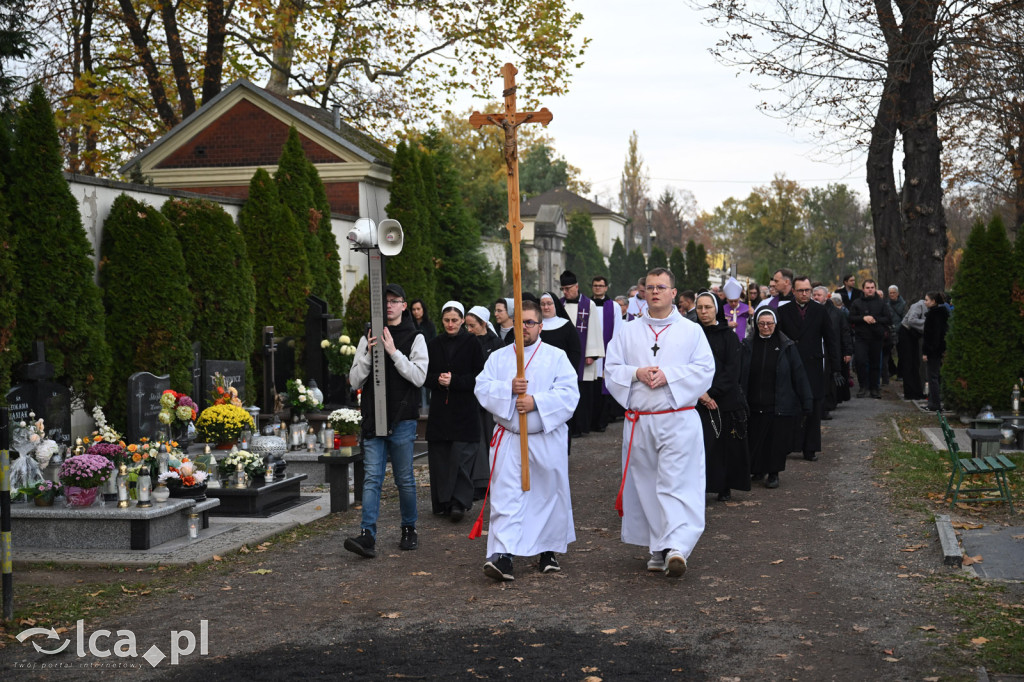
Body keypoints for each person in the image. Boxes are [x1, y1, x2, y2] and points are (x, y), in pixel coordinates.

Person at [604, 268, 716, 578]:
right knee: (647, 486)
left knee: (676, 483)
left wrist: (670, 375)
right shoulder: (627, 332)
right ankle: (658, 546)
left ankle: (677, 546)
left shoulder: (691, 331)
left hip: (678, 419)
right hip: (641, 421)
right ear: (642, 292)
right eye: (650, 287)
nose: (655, 292)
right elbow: (611, 368)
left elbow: (705, 370)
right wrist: (635, 373)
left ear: (673, 293)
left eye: (661, 287)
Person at [473, 300, 579, 581]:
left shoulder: (556, 357)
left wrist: (536, 402)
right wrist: (508, 388)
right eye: (519, 322)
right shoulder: (499, 357)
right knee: (507, 497)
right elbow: (481, 387)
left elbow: (570, 395)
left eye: (530, 322)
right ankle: (504, 556)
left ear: (540, 326)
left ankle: (547, 551)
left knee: (546, 496)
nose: (524, 328)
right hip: (510, 438)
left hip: (545, 438)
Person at [345, 283, 428, 558]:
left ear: (404, 305)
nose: (389, 305)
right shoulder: (368, 335)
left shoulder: (415, 337)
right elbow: (354, 380)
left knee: (404, 479)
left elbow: (419, 377)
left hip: (402, 419)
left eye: (395, 301)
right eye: (386, 301)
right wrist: (369, 354)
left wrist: (393, 352)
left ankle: (409, 529)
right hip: (373, 419)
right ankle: (367, 534)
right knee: (371, 479)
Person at [424, 302, 485, 521]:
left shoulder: (472, 343)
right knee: (441, 458)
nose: (450, 324)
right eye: (446, 320)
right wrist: (439, 381)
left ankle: (459, 503)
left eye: (455, 320)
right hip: (441, 410)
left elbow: (480, 376)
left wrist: (455, 381)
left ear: (462, 321)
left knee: (461, 458)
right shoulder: (434, 344)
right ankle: (443, 502)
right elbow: (425, 376)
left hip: (464, 410)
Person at [740, 309, 813, 490]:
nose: (766, 327)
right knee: (754, 438)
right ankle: (757, 469)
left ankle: (773, 473)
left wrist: (807, 400)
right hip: (754, 402)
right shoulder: (748, 345)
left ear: (776, 324)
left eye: (769, 324)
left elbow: (799, 374)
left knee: (775, 441)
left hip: (778, 402)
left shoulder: (786, 345)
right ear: (756, 325)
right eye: (762, 324)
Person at [775, 276, 839, 461]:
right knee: (790, 405)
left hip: (813, 364)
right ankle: (789, 444)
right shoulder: (783, 311)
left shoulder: (820, 311)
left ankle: (810, 447)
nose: (805, 294)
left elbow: (830, 339)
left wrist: (836, 368)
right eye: (801, 290)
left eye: (807, 290)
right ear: (793, 291)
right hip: (791, 364)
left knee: (813, 407)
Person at [693, 292, 750, 502]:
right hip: (696, 399)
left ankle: (724, 486)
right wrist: (700, 394)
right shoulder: (691, 334)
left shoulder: (728, 336)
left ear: (716, 309)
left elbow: (732, 370)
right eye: (699, 308)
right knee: (702, 446)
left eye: (708, 307)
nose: (703, 312)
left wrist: (712, 393)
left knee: (724, 446)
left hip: (722, 399)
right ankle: (701, 486)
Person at [560, 270, 604, 439]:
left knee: (582, 392)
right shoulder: (560, 305)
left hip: (584, 356)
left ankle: (580, 426)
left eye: (568, 288)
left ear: (576, 286)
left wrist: (592, 354)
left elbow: (594, 329)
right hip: (565, 356)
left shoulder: (588, 304)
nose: (565, 292)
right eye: (563, 289)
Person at [465, 305, 504, 500]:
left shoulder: (497, 344)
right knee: (475, 442)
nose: (469, 330)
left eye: (472, 326)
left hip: (491, 399)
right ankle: (478, 482)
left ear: (484, 324)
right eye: (467, 326)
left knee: (490, 439)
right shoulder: (467, 342)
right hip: (470, 398)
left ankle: (493, 481)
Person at [848, 279, 891, 399]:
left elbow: (888, 318)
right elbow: (851, 318)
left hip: (876, 337)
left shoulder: (881, 303)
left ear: (875, 288)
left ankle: (874, 388)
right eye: (868, 287)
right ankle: (863, 386)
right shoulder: (857, 302)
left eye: (872, 287)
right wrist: (863, 318)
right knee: (860, 362)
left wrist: (874, 319)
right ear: (863, 289)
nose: (870, 289)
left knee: (875, 363)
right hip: (861, 337)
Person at [814, 285, 853, 417]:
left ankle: (827, 406)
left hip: (832, 351)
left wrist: (848, 351)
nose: (816, 297)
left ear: (826, 296)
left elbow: (845, 332)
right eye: (814, 295)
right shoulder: (811, 311)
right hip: (817, 349)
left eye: (819, 295)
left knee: (829, 379)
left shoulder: (836, 313)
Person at [589, 275, 621, 432]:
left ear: (606, 287)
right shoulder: (586, 305)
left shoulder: (614, 306)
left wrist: (613, 352)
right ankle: (590, 421)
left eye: (600, 286)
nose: (597, 288)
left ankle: (602, 421)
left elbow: (618, 331)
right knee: (591, 388)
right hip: (590, 352)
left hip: (607, 352)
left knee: (604, 389)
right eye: (595, 285)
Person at [538, 292, 581, 375]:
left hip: (562, 370)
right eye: (543, 304)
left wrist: (570, 372)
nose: (546, 307)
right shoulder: (535, 325)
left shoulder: (566, 325)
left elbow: (575, 351)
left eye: (549, 304)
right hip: (540, 371)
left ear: (555, 305)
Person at [921, 292, 950, 412]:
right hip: (937, 349)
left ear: (933, 301)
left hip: (933, 350)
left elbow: (931, 336)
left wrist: (927, 351)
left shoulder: (934, 316)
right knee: (934, 376)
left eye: (927, 300)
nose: (925, 302)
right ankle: (933, 402)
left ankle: (935, 403)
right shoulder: (940, 314)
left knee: (932, 377)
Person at [899, 296, 928, 400]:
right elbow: (911, 320)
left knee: (915, 363)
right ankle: (909, 392)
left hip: (914, 334)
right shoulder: (919, 306)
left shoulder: (929, 308)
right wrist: (927, 325)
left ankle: (917, 391)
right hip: (906, 332)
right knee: (908, 363)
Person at [884, 285, 907, 384]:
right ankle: (892, 370)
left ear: (897, 293)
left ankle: (901, 374)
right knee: (887, 352)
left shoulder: (903, 304)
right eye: (890, 293)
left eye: (893, 293)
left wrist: (896, 328)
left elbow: (905, 318)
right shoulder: (886, 304)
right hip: (890, 331)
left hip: (900, 331)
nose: (892, 294)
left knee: (901, 353)